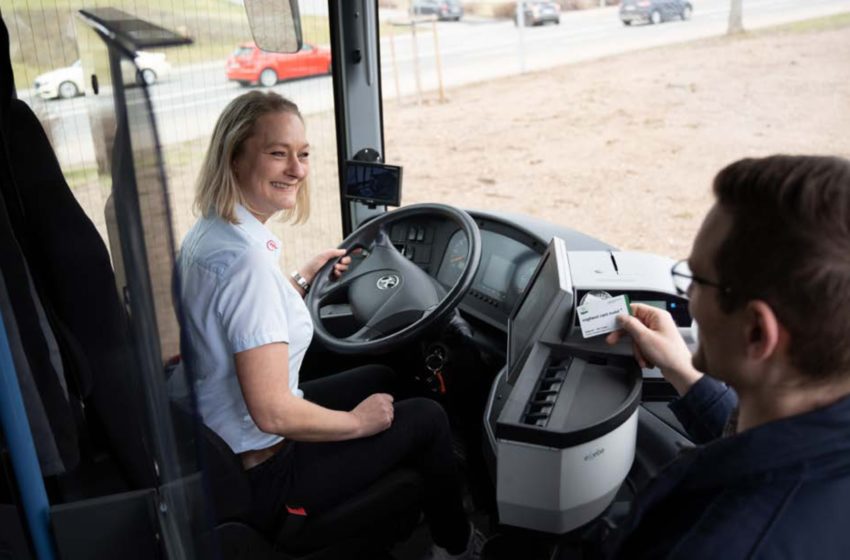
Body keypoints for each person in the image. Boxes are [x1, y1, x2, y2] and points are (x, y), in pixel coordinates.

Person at [174, 91, 483, 559]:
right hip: (265, 470)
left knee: (383, 376)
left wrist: (302, 278)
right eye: (278, 154)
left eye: (302, 155)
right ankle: (456, 544)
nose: (297, 170)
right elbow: (273, 413)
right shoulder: (245, 264)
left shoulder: (211, 235)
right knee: (428, 418)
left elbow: (245, 321)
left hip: (225, 445)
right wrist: (357, 424)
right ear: (234, 157)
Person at [605, 155, 850, 559]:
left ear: (757, 331)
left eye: (696, 279)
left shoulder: (706, 544)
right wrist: (682, 369)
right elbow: (775, 445)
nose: (687, 297)